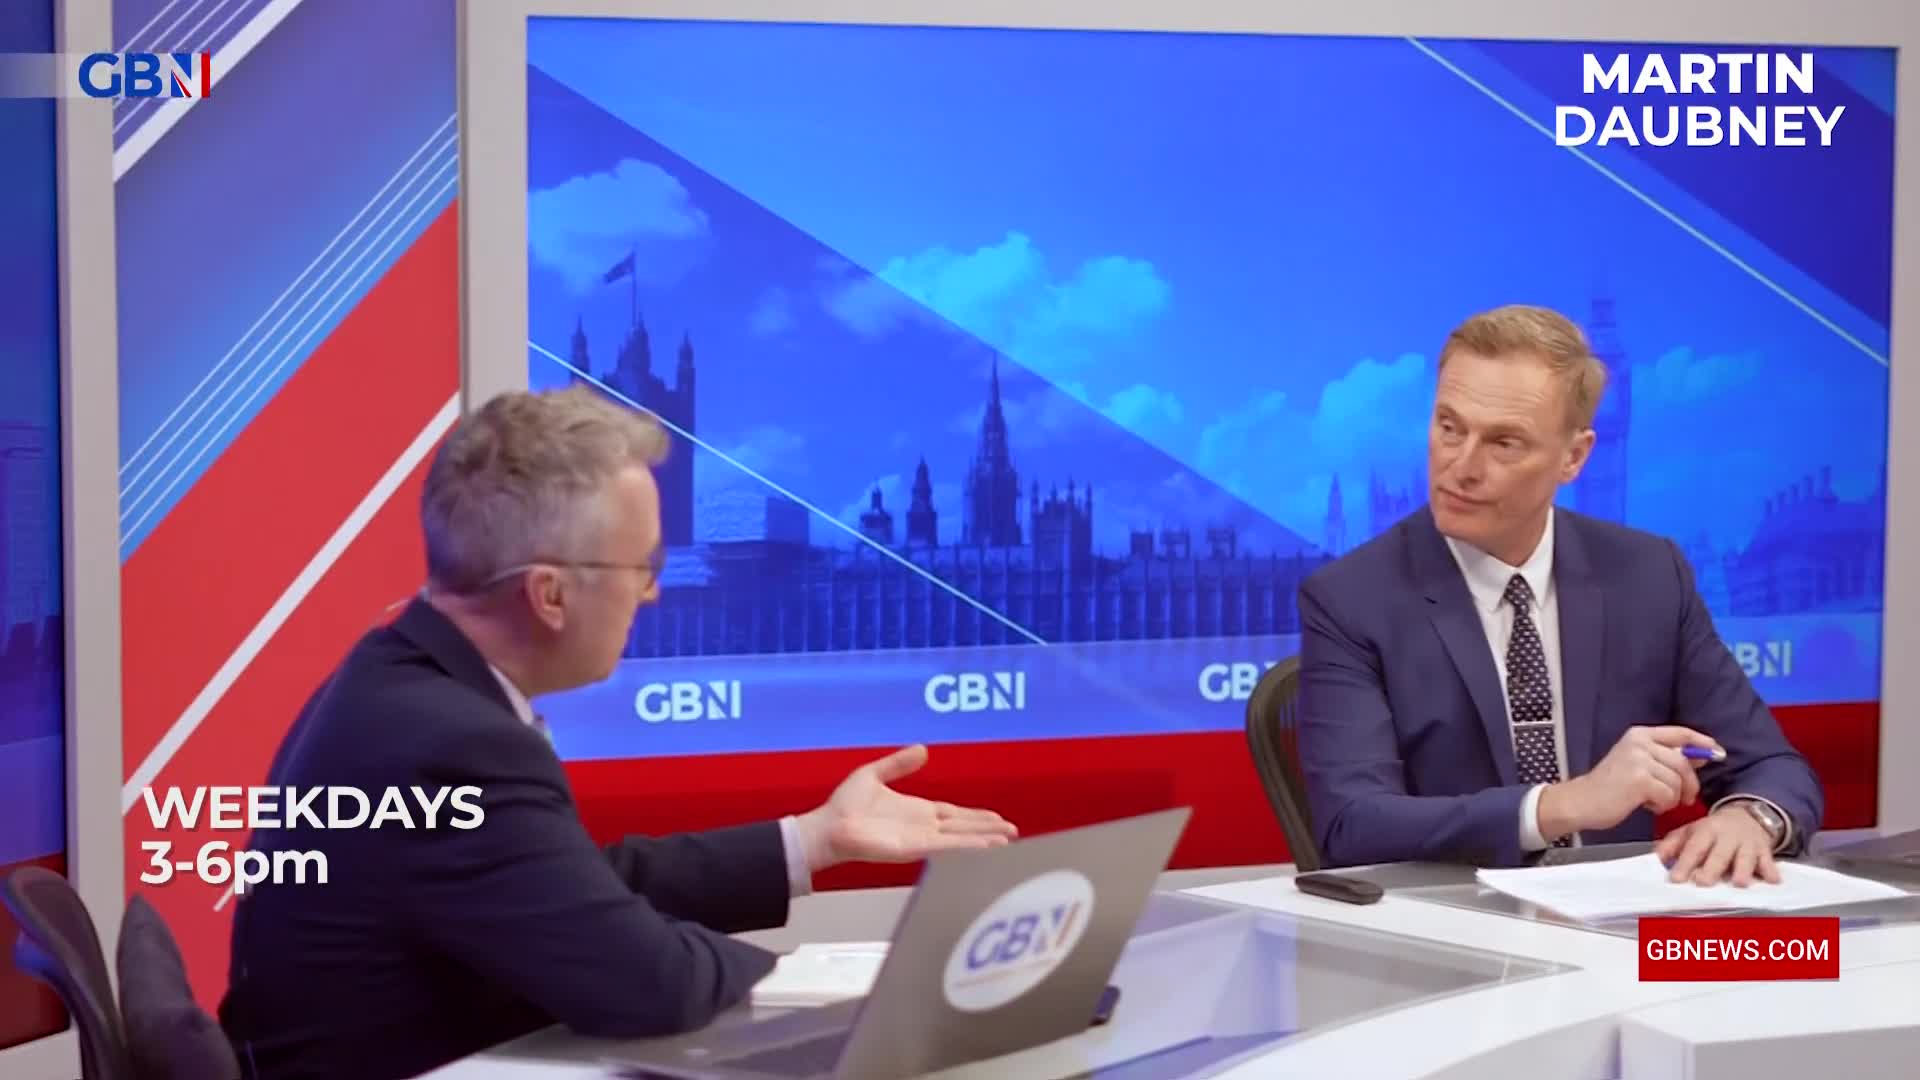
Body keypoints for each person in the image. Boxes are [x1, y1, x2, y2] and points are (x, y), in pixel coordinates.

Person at [218, 387, 1018, 1080]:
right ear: (550, 595)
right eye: (641, 567)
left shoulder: (402, 678)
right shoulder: (451, 743)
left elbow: (574, 891)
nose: (655, 595)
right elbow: (645, 980)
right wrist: (835, 985)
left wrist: (812, 841)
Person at [1294, 304, 1822, 884]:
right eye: (1449, 427)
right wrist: (1563, 805)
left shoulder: (1648, 574)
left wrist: (1750, 819)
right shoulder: (1350, 599)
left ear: (1574, 457)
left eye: (1504, 443)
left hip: (1622, 938)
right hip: (1448, 935)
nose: (1460, 466)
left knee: (1815, 957)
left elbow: (1772, 767)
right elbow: (1354, 824)